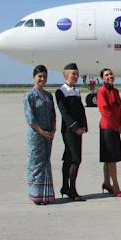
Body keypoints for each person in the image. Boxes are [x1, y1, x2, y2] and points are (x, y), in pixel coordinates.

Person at [23, 65, 57, 205]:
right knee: (36, 164)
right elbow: (30, 118)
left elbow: (53, 114)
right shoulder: (29, 96)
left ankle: (46, 195)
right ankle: (36, 195)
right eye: (39, 76)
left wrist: (53, 130)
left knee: (45, 163)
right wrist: (41, 132)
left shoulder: (48, 95)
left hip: (48, 135)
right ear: (34, 77)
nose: (42, 79)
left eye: (44, 76)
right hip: (37, 135)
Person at [55, 63, 88, 202]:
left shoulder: (76, 91)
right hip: (69, 130)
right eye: (73, 74)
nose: (76, 76)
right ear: (65, 75)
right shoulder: (61, 92)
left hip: (78, 130)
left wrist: (84, 126)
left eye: (77, 74)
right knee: (75, 159)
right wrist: (75, 128)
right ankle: (72, 190)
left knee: (69, 158)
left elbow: (81, 110)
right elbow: (65, 113)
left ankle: (65, 187)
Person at [97, 68, 121, 197]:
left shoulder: (115, 91)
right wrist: (116, 126)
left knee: (108, 158)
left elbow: (120, 109)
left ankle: (107, 182)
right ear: (102, 78)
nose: (110, 76)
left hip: (115, 127)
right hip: (107, 128)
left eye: (111, 74)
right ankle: (116, 185)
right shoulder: (101, 91)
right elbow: (105, 111)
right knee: (111, 158)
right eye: (106, 75)